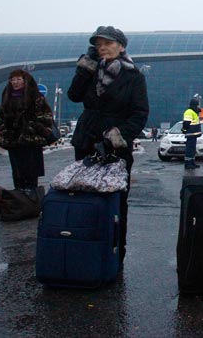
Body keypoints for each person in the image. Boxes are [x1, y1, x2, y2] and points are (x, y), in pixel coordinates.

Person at [68, 25, 149, 264]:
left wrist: (116, 137)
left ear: (121, 46)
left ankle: (114, 252)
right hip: (86, 140)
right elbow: (74, 95)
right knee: (82, 195)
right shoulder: (90, 71)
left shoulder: (134, 76)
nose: (103, 48)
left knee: (115, 200)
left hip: (116, 146)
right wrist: (85, 67)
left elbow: (140, 113)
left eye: (108, 43)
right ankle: (84, 249)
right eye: (98, 44)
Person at [0, 69, 55, 191]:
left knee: (31, 175)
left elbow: (46, 117)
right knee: (17, 174)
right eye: (12, 79)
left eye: (18, 79)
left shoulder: (36, 97)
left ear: (25, 81)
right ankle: (20, 202)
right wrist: (2, 130)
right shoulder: (7, 97)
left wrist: (33, 127)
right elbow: (0, 117)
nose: (15, 82)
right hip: (13, 141)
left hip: (31, 141)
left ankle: (31, 201)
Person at [182, 95, 202, 170]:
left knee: (192, 150)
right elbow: (186, 123)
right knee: (189, 150)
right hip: (190, 133)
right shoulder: (189, 112)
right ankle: (188, 164)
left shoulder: (194, 112)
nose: (198, 107)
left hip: (194, 134)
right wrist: (184, 130)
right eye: (197, 105)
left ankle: (192, 162)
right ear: (194, 105)